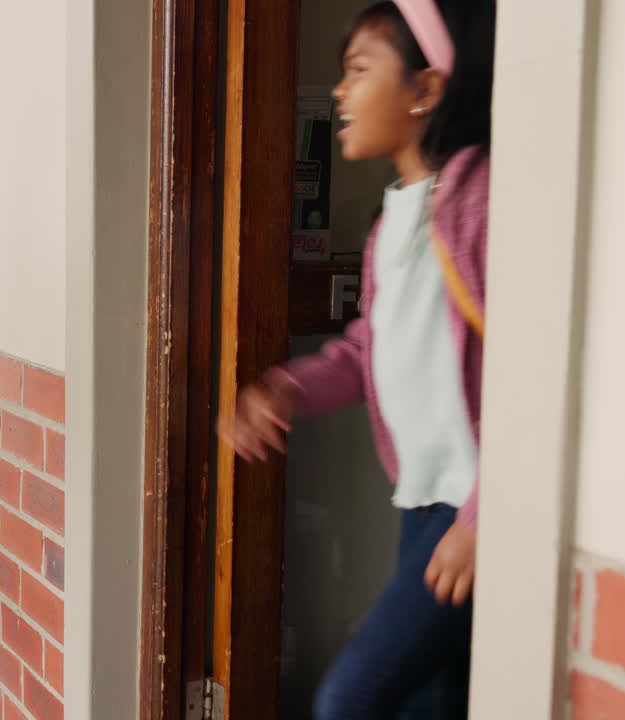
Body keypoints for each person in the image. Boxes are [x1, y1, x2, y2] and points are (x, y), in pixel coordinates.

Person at [219, 1, 496, 717]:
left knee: (351, 698)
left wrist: (484, 517)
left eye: (358, 71)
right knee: (425, 705)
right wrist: (283, 389)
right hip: (423, 502)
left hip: (470, 507)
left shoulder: (477, 197)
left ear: (425, 91)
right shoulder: (394, 217)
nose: (339, 93)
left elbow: (532, 374)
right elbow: (366, 350)